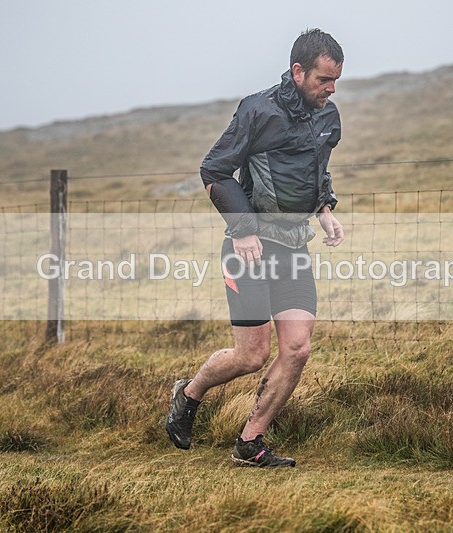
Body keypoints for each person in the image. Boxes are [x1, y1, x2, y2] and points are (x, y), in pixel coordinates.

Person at [166, 28, 345, 467]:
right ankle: (189, 393)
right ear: (298, 71)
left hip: (293, 247)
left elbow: (317, 167)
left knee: (298, 349)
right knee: (251, 355)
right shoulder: (258, 110)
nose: (331, 89)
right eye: (324, 79)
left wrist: (324, 207)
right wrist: (243, 228)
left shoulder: (328, 116)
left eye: (336, 80)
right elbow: (215, 170)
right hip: (249, 248)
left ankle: (251, 442)